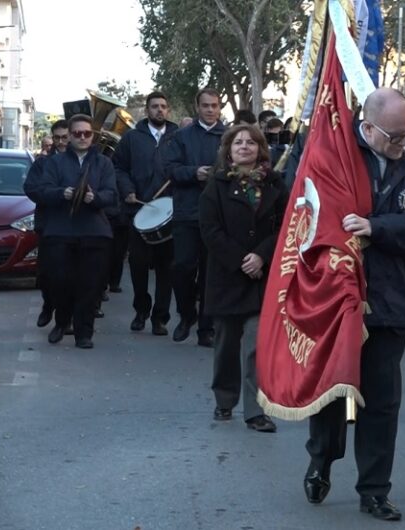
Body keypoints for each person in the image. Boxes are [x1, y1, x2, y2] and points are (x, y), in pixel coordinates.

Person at [303, 88, 405, 522]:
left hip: (392, 295)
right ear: (367, 127)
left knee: (381, 399)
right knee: (331, 391)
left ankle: (375, 490)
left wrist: (376, 228)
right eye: (396, 136)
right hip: (337, 295)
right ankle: (321, 459)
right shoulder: (337, 154)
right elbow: (306, 207)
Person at [199, 124, 288, 432]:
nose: (245, 147)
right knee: (226, 344)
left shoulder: (275, 183)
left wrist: (261, 255)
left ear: (260, 149)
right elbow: (210, 230)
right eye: (238, 143)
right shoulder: (217, 184)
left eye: (251, 142)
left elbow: (286, 226)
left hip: (262, 278)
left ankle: (256, 411)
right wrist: (241, 261)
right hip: (227, 277)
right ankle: (224, 399)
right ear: (229, 150)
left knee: (257, 346)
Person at [30, 114, 117, 348]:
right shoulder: (54, 162)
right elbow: (42, 190)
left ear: (92, 136)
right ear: (69, 136)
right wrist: (62, 193)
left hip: (94, 232)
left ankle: (84, 333)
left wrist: (94, 198)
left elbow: (111, 194)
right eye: (77, 133)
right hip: (61, 231)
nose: (82, 137)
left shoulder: (104, 163)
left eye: (87, 133)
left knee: (90, 285)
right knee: (59, 281)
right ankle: (61, 321)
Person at [163, 87, 226, 347]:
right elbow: (169, 169)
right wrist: (194, 172)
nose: (210, 110)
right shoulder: (182, 136)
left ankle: (206, 328)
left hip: (219, 216)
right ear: (197, 107)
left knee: (212, 274)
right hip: (187, 212)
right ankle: (186, 314)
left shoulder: (230, 136)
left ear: (219, 108)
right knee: (182, 268)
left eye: (214, 105)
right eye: (205, 105)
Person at [114, 91, 178, 336]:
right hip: (138, 211)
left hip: (169, 213)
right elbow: (119, 167)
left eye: (163, 106)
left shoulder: (178, 137)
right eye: (154, 106)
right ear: (147, 110)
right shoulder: (131, 138)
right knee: (138, 264)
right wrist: (127, 190)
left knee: (166, 268)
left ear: (168, 110)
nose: (159, 110)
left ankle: (160, 318)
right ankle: (141, 310)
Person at [24, 119, 70, 328]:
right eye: (57, 138)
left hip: (74, 225)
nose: (61, 142)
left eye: (65, 137)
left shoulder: (81, 161)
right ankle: (48, 304)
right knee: (46, 273)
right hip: (49, 224)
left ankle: (67, 318)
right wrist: (54, 195)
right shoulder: (42, 163)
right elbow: (31, 188)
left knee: (71, 274)